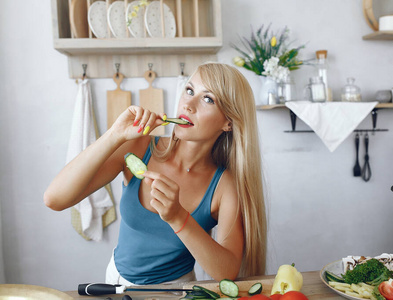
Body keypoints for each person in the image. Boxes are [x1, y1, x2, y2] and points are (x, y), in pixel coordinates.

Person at [44, 62, 267, 285]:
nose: (188, 104)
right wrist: (115, 135)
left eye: (208, 99)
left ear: (228, 122)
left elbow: (227, 272)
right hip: (114, 282)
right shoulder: (139, 147)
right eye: (189, 91)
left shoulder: (224, 186)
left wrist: (178, 217)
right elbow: (54, 199)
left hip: (176, 290)